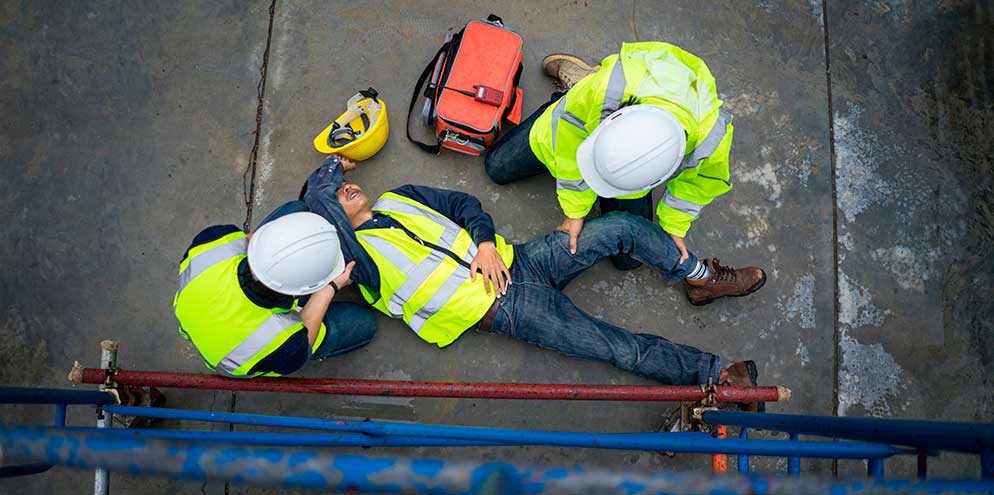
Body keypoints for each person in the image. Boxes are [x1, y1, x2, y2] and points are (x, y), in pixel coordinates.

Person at [302, 156, 765, 408]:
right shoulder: (354, 263)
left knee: (621, 227)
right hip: (509, 312)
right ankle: (715, 375)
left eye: (343, 184)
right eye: (336, 196)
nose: (346, 189)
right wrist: (328, 177)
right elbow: (334, 221)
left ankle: (700, 277)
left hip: (522, 260)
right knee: (619, 348)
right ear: (329, 219)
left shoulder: (398, 198)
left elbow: (463, 204)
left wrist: (484, 243)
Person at [484, 42, 762, 305]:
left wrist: (674, 227)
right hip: (579, 113)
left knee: (629, 260)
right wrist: (575, 211)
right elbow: (567, 146)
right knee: (497, 167)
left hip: (626, 137)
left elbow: (700, 184)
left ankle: (702, 278)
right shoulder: (606, 90)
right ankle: (577, 86)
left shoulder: (713, 133)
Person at [173, 161, 376, 377]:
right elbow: (304, 341)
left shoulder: (211, 243)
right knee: (364, 324)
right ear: (301, 291)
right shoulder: (283, 344)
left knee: (296, 211)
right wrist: (330, 288)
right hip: (248, 355)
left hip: (201, 314)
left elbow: (249, 240)